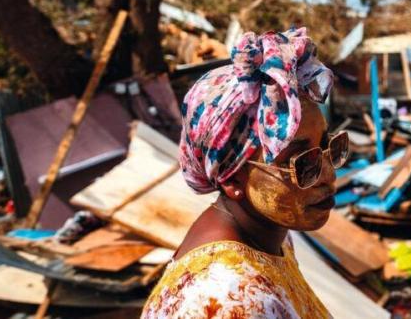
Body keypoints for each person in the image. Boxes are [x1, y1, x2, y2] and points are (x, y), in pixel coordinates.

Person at [141, 28, 346, 319]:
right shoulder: (228, 297)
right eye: (301, 161)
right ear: (233, 179)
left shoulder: (272, 241)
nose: (328, 174)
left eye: (330, 146)